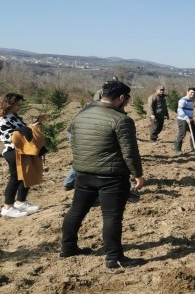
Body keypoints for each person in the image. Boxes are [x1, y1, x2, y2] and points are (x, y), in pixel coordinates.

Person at [60, 81, 146, 268]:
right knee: (112, 216)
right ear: (122, 98)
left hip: (83, 173)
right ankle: (114, 257)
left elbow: (74, 142)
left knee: (76, 211)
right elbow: (129, 152)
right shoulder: (121, 120)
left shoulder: (81, 115)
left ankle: (67, 248)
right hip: (112, 177)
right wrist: (137, 174)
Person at [0, 93, 47, 217]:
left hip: (24, 150)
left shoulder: (13, 116)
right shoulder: (2, 118)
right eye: (17, 104)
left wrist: (37, 122)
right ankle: (7, 208)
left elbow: (26, 131)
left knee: (26, 176)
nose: (19, 107)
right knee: (15, 179)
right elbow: (10, 136)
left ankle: (20, 202)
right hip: (13, 152)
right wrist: (25, 130)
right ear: (9, 104)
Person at [174, 87, 195, 154]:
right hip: (182, 119)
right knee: (182, 134)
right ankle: (177, 150)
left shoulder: (191, 100)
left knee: (194, 133)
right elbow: (179, 110)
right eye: (191, 92)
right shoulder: (183, 100)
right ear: (187, 92)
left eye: (194, 93)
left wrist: (190, 118)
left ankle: (194, 147)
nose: (192, 94)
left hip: (190, 119)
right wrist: (186, 117)